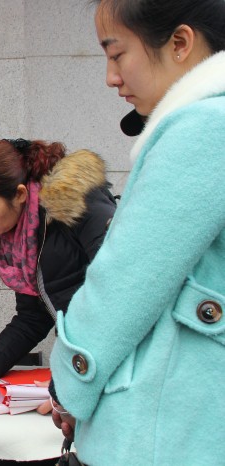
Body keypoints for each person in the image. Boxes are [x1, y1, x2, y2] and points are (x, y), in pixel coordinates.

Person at [48, 1, 225, 464]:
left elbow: (124, 283)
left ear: (180, 43)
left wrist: (69, 380)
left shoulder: (205, 127)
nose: (111, 77)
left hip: (164, 437)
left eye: (117, 53)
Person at [0, 138, 116, 390]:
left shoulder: (78, 204)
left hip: (115, 366)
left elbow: (118, 295)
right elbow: (33, 317)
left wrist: (73, 386)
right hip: (85, 366)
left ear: (19, 194)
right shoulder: (21, 236)